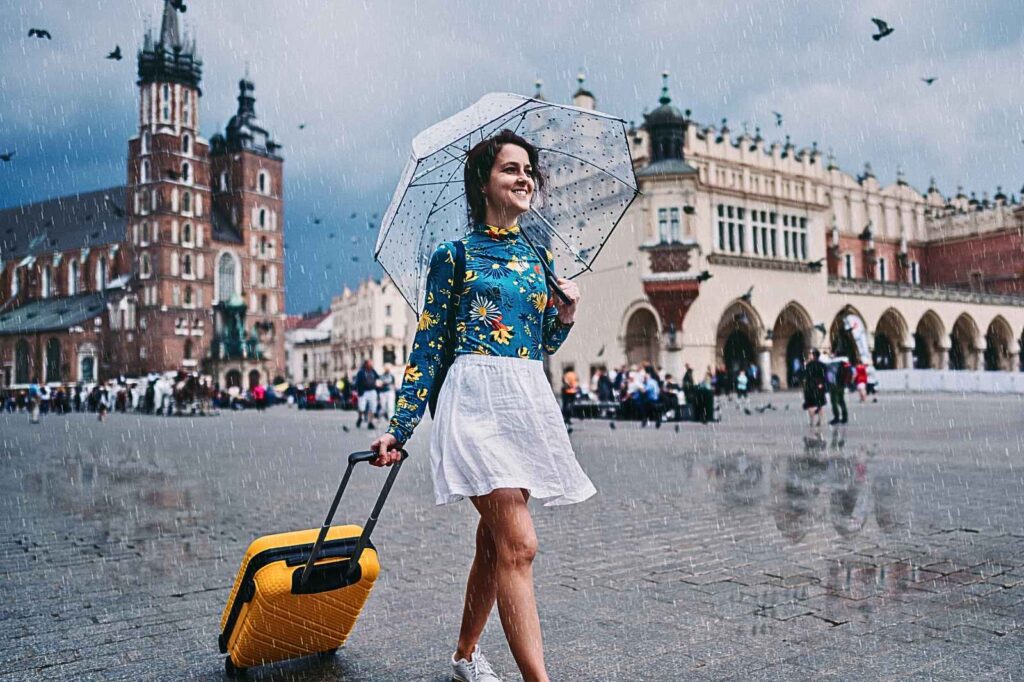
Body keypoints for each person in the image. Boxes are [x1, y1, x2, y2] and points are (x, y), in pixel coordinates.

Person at [370, 129, 595, 682]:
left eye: (528, 171)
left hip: (525, 403)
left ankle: (465, 656)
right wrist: (400, 427)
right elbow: (429, 344)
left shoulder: (538, 257)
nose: (524, 179)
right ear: (483, 183)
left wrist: (564, 316)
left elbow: (540, 342)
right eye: (510, 169)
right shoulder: (454, 256)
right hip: (473, 403)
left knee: (495, 545)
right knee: (520, 543)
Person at [803, 350, 828, 427]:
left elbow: (804, 375)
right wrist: (822, 384)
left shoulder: (808, 365)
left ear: (814, 356)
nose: (809, 356)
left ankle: (812, 421)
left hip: (810, 386)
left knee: (810, 405)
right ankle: (820, 420)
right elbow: (825, 376)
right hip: (819, 386)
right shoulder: (822, 365)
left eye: (810, 354)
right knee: (819, 404)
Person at [353, 359, 380, 429]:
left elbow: (378, 378)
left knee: (372, 407)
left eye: (372, 364)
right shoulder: (361, 372)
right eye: (370, 364)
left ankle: (370, 422)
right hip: (363, 392)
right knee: (362, 407)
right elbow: (357, 382)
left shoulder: (373, 371)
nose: (372, 365)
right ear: (366, 364)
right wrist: (356, 390)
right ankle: (360, 418)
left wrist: (379, 384)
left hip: (372, 391)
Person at [828, 360, 850, 425]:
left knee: (834, 402)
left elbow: (830, 376)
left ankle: (836, 417)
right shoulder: (843, 363)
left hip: (835, 385)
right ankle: (845, 417)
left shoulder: (832, 364)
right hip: (841, 385)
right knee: (841, 401)